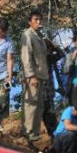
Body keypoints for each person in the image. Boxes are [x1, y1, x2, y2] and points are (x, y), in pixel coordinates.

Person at [20, 10, 49, 141]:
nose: (39, 22)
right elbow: (26, 57)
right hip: (33, 76)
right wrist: (31, 75)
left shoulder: (39, 36)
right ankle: (27, 131)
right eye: (36, 19)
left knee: (39, 105)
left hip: (42, 75)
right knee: (31, 104)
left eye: (40, 19)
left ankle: (35, 132)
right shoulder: (27, 35)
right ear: (29, 22)